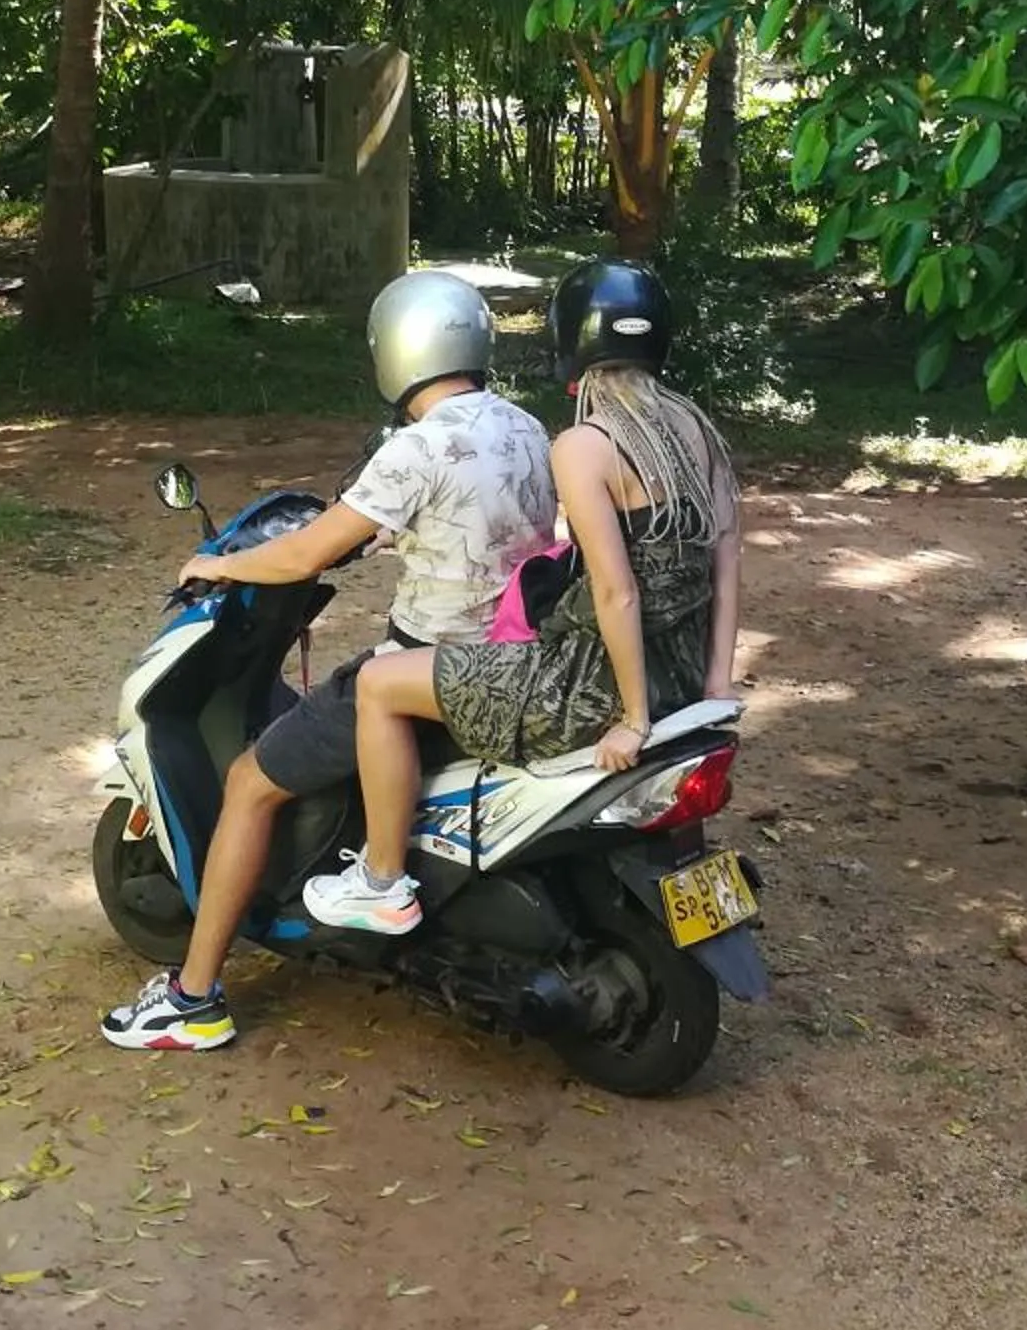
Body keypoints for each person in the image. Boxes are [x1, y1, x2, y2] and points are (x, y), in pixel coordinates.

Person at [99, 268, 556, 1050]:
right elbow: (482, 520)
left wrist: (222, 566)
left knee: (247, 781)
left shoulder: (416, 446)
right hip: (507, 660)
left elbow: (299, 555)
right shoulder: (525, 427)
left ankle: (195, 998)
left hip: (423, 669)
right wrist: (388, 531)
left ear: (398, 351)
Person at [318, 261, 742, 935]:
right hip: (683, 673)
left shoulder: (585, 445)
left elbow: (616, 591)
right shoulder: (698, 435)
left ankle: (382, 881)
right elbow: (726, 560)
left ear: (569, 342)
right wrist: (714, 680)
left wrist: (631, 718)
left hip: (593, 684)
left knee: (375, 683)